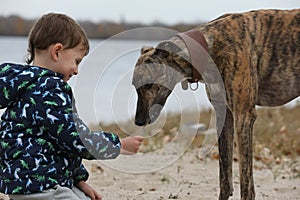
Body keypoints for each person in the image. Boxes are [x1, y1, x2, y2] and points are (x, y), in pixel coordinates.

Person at [0, 13, 143, 200]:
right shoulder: (49, 90)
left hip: (32, 183)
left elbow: (61, 143)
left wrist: (78, 181)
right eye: (77, 61)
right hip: (41, 186)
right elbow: (75, 136)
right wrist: (118, 146)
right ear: (57, 52)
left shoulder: (26, 86)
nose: (76, 70)